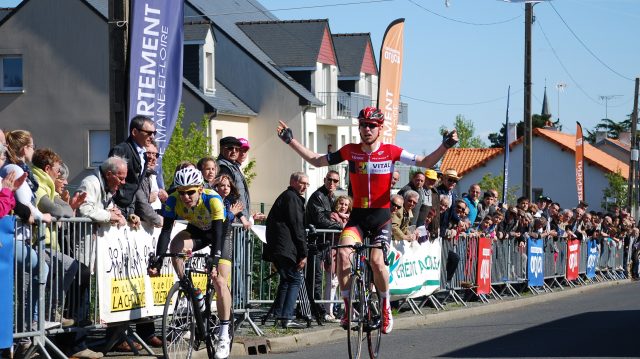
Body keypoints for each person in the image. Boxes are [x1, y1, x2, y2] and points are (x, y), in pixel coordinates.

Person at [276, 106, 457, 334]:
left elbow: (425, 162)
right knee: (343, 254)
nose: (367, 129)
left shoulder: (391, 151)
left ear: (380, 128)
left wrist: (446, 146)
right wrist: (290, 141)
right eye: (363, 125)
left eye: (372, 125)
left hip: (381, 218)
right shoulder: (350, 151)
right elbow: (316, 160)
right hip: (358, 217)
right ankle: (348, 310)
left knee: (376, 261)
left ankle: (384, 307)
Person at [148, 167, 232, 359]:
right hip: (198, 232)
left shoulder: (213, 200)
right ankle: (190, 289)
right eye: (182, 192)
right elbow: (166, 232)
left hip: (220, 235)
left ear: (200, 189)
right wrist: (159, 261)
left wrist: (214, 262)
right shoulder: (172, 200)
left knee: (220, 281)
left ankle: (224, 334)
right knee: (176, 244)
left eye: (190, 192)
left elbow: (218, 234)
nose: (186, 196)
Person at [262, 172, 309, 329]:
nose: (305, 187)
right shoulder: (292, 198)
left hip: (280, 246)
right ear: (293, 181)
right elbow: (297, 226)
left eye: (307, 184)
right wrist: (304, 253)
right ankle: (287, 317)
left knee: (286, 280)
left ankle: (279, 314)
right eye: (302, 183)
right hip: (285, 246)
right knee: (294, 279)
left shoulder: (288, 196)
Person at [304, 170, 343, 323]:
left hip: (323, 242)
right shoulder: (318, 196)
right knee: (315, 277)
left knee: (322, 278)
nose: (332, 183)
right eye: (329, 180)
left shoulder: (331, 196)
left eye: (335, 181)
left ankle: (320, 309)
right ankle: (316, 310)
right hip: (314, 242)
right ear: (324, 179)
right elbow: (320, 220)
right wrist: (340, 226)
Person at [108, 115, 156, 214]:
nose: (152, 137)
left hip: (129, 210)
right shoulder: (121, 150)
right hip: (115, 209)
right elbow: (109, 181)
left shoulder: (144, 155)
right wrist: (111, 206)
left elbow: (135, 187)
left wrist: (132, 212)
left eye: (154, 133)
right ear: (134, 132)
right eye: (149, 133)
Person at [217, 137, 252, 229]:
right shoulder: (223, 167)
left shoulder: (232, 166)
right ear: (222, 149)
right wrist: (242, 217)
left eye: (237, 149)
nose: (234, 151)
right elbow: (227, 194)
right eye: (230, 148)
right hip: (233, 221)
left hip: (238, 220)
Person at [134, 142, 163, 228]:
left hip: (152, 223)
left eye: (155, 155)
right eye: (149, 153)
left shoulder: (153, 175)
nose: (152, 158)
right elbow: (139, 204)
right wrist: (147, 198)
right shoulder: (138, 176)